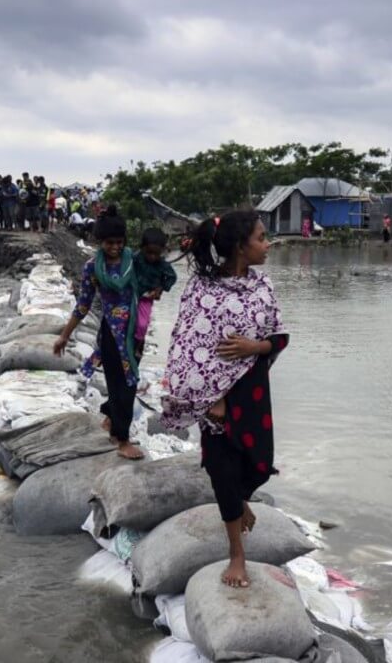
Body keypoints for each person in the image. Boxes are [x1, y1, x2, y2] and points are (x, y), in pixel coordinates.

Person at [160, 211, 289, 588]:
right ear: (239, 246)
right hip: (211, 398)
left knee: (259, 465)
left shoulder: (262, 286)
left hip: (252, 393)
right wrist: (212, 399)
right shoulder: (201, 288)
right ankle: (237, 555)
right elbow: (186, 345)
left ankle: (240, 499)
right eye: (261, 238)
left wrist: (254, 346)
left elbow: (279, 337)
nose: (268, 244)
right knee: (223, 470)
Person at [52, 207, 145, 460]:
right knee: (122, 384)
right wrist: (64, 335)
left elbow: (154, 278)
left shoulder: (134, 262)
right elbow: (83, 305)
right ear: (99, 242)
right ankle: (121, 439)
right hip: (111, 334)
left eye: (119, 242)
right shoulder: (93, 267)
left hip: (134, 332)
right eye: (109, 243)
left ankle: (111, 415)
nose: (115, 247)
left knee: (130, 382)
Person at [131, 227, 177, 362]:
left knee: (142, 325)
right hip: (129, 295)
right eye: (149, 252)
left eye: (156, 254)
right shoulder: (135, 258)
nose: (152, 257)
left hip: (145, 298)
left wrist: (160, 288)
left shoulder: (163, 265)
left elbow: (172, 277)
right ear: (142, 248)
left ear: (162, 251)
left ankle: (138, 345)